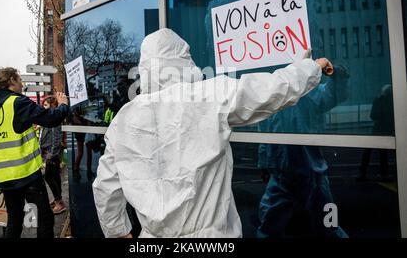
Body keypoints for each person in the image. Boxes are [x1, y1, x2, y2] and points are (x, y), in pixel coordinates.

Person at [92, 28, 333, 238]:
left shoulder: (123, 119)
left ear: (145, 66)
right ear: (182, 58)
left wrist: (118, 232)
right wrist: (310, 68)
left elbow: (105, 186)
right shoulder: (209, 96)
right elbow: (271, 90)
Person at [256, 65, 350, 238]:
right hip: (285, 173)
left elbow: (330, 95)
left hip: (309, 171)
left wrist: (338, 76)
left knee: (327, 225)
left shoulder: (306, 93)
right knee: (270, 223)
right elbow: (264, 134)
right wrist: (264, 163)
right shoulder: (272, 97)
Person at [0, 67, 69, 238]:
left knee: (15, 219)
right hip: (27, 175)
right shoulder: (17, 103)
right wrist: (63, 104)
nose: (22, 84)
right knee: (44, 218)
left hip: (4, 177)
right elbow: (51, 118)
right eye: (20, 80)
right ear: (11, 80)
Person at [357, 85, 394, 182]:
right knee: (383, 153)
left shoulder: (378, 100)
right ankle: (384, 174)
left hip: (377, 129)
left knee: (368, 151)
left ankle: (363, 173)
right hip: (388, 129)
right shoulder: (393, 102)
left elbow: (373, 115)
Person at [39, 96, 66, 215]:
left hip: (52, 153)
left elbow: (56, 138)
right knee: (55, 176)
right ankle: (57, 199)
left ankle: (60, 202)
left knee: (49, 177)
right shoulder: (49, 118)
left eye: (45, 105)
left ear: (53, 105)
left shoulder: (54, 119)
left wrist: (52, 154)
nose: (43, 107)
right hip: (48, 152)